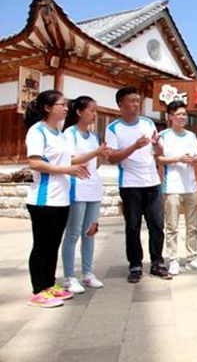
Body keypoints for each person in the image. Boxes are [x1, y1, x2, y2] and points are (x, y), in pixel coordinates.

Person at [24, 90, 90, 307]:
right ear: (47, 108)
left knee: (53, 245)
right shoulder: (37, 132)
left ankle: (50, 286)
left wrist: (93, 154)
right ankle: (38, 291)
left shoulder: (59, 134)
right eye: (62, 104)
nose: (65, 108)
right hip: (43, 200)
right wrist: (66, 169)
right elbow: (35, 162)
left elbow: (70, 159)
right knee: (42, 246)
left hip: (61, 199)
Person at [105, 86, 171, 283]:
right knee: (132, 227)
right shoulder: (113, 128)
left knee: (157, 226)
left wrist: (156, 143)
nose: (136, 104)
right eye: (132, 101)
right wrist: (135, 145)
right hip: (130, 184)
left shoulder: (147, 122)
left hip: (152, 182)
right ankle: (135, 266)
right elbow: (112, 158)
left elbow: (158, 152)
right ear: (120, 104)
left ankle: (158, 264)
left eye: (138, 100)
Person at [61, 96, 109, 294]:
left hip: (93, 188)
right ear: (79, 112)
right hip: (76, 188)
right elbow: (72, 160)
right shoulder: (69, 133)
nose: (94, 114)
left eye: (96, 110)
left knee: (90, 232)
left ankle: (87, 273)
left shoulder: (93, 136)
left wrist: (100, 156)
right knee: (73, 233)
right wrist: (96, 152)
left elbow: (93, 164)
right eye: (91, 110)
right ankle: (69, 277)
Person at [157, 100, 197, 276]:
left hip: (191, 186)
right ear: (170, 117)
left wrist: (191, 159)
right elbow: (159, 159)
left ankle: (192, 258)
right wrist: (178, 158)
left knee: (192, 226)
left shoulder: (191, 136)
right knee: (172, 226)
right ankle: (172, 260)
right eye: (179, 114)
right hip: (172, 186)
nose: (183, 117)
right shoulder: (163, 135)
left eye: (185, 114)